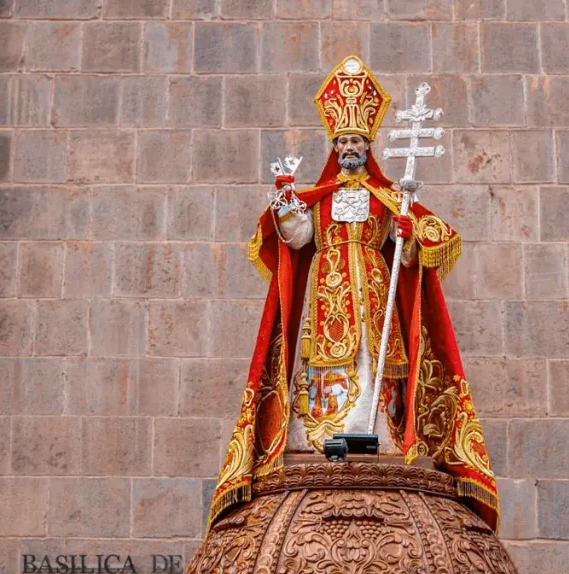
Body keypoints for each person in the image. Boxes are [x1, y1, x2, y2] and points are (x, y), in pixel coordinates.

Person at [208, 56, 498, 532]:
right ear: (335, 146)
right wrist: (285, 199)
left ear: (368, 146)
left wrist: (407, 234)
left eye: (356, 142)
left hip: (373, 286)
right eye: (342, 141)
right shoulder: (318, 196)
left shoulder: (387, 197)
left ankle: (377, 430)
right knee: (323, 363)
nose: (348, 148)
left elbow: (416, 250)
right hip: (326, 289)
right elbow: (297, 237)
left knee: (373, 358)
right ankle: (321, 431)